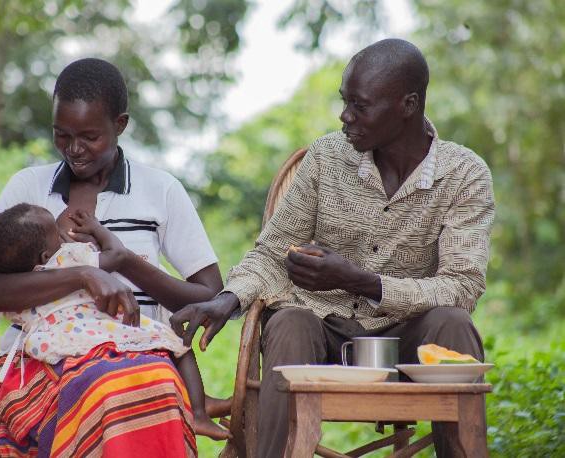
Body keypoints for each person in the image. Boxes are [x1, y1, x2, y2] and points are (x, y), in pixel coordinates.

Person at [170, 38, 495, 458]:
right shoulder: (326, 158)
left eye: (360, 106)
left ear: (408, 105)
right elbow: (273, 253)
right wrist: (227, 299)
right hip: (321, 330)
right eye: (345, 102)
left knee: (454, 324)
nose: (345, 116)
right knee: (288, 323)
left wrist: (363, 282)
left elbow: (462, 286)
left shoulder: (464, 174)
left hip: (407, 341)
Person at [0, 57, 227, 457]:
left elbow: (208, 295)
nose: (74, 149)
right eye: (61, 135)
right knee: (109, 391)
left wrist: (124, 263)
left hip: (135, 358)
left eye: (89, 136)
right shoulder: (29, 187)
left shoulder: (161, 190)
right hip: (39, 363)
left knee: (139, 385)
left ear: (119, 125)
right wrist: (82, 274)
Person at [0, 202, 228, 440]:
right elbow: (115, 254)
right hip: (101, 332)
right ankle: (198, 411)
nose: (61, 231)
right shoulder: (72, 259)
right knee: (176, 343)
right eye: (55, 232)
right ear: (46, 253)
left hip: (54, 347)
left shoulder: (20, 283)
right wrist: (98, 231)